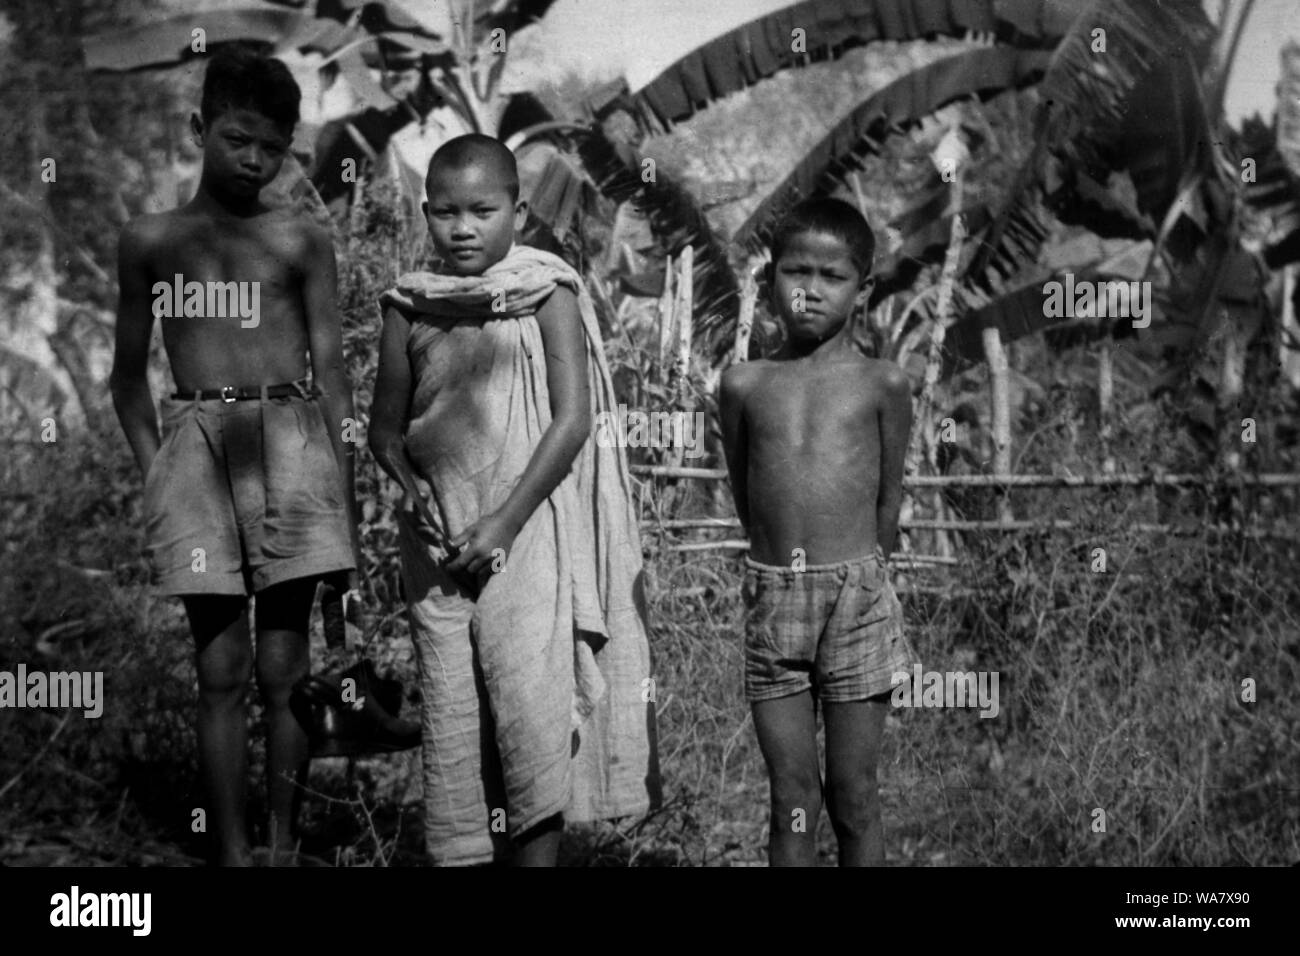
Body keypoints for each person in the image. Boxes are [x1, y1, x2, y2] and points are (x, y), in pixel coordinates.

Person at [368, 133, 659, 866]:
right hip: (438, 547)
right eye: (444, 213)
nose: (462, 228)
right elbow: (383, 432)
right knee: (459, 725)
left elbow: (572, 420)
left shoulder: (546, 291)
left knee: (530, 721)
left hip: (525, 533)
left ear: (517, 210)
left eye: (482, 211)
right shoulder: (410, 305)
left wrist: (503, 522)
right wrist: (417, 497)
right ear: (425, 213)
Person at [110, 46, 359, 866]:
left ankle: (283, 848)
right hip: (195, 451)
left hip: (293, 446)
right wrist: (159, 471)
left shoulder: (302, 241)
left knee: (284, 665)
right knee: (218, 670)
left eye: (272, 147)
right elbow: (127, 380)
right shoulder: (150, 240)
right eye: (237, 138)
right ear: (198, 129)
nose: (254, 160)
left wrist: (344, 503)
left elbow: (333, 380)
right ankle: (232, 853)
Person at [718, 197, 917, 866]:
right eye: (794, 272)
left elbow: (889, 504)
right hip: (775, 596)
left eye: (832, 277)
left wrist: (859, 580)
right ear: (769, 278)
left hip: (856, 594)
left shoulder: (883, 383)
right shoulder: (744, 383)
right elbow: (747, 494)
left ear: (862, 291)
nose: (810, 290)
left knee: (853, 795)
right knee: (791, 797)